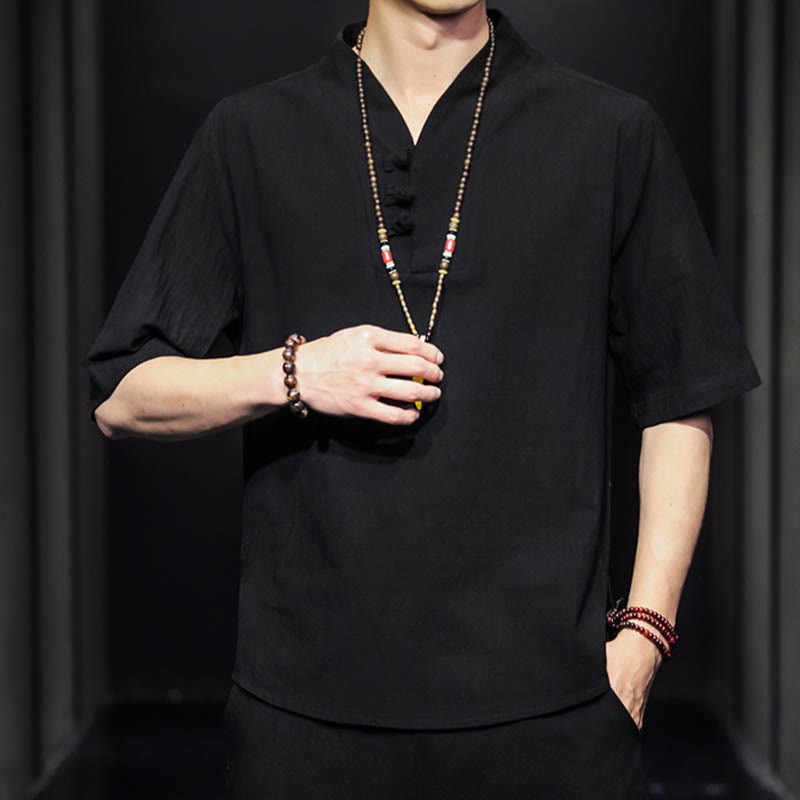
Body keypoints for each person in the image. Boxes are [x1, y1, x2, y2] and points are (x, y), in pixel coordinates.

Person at [85, 2, 762, 797]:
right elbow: (122, 394)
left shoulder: (608, 132)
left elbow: (679, 394)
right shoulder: (253, 134)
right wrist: (297, 373)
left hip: (552, 715)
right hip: (305, 719)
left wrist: (644, 636)